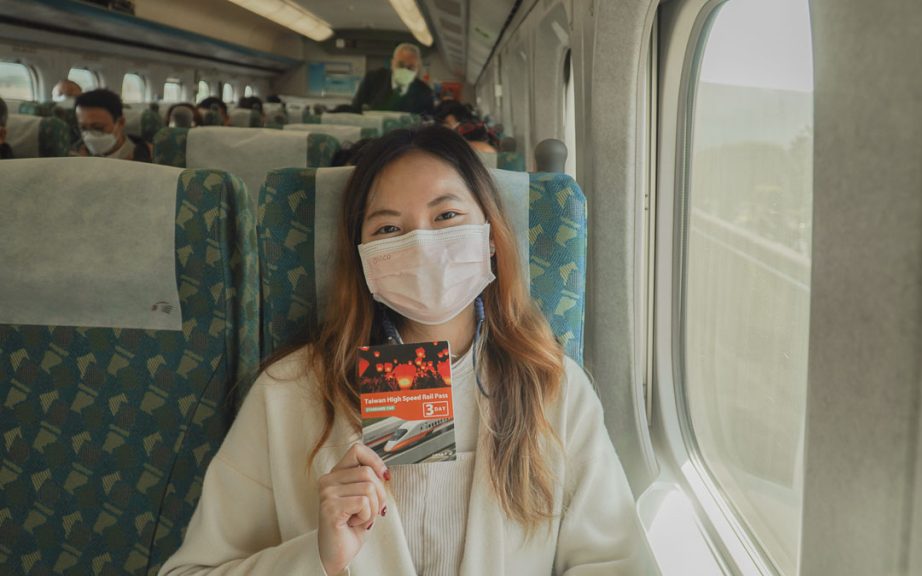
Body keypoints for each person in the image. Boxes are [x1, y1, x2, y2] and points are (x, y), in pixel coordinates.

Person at [158, 126, 654, 575]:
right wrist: (317, 560)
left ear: (489, 237)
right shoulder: (288, 394)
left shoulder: (554, 388)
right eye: (389, 229)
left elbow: (616, 563)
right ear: (363, 256)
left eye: (447, 216)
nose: (424, 244)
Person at [349, 43, 434, 116]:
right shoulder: (373, 79)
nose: (405, 70)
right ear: (392, 63)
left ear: (417, 68)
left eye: (410, 67)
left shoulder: (425, 92)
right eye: (400, 65)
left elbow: (428, 123)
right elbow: (355, 110)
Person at [72, 89, 152, 162]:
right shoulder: (73, 156)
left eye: (98, 128)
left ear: (121, 123)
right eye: (83, 128)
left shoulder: (147, 155)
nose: (90, 136)